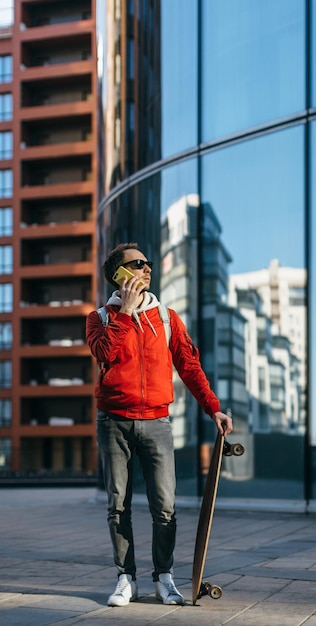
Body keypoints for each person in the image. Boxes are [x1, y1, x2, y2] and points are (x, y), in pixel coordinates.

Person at [86, 243, 233, 607]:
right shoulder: (99, 318)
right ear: (119, 275)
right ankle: (125, 579)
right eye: (137, 264)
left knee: (164, 506)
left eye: (148, 262)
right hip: (114, 422)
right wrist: (126, 313)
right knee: (118, 505)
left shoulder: (167, 318)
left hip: (157, 422)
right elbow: (105, 353)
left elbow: (189, 366)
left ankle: (164, 578)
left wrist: (213, 407)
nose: (146, 268)